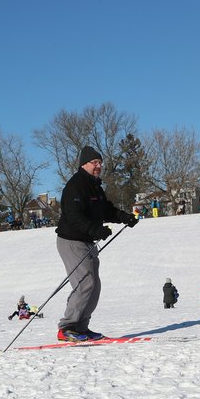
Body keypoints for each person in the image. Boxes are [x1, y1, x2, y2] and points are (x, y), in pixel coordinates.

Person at [55, 146, 139, 341]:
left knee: (95, 286)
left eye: (100, 163)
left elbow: (106, 210)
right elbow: (74, 216)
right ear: (84, 164)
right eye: (95, 163)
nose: (99, 166)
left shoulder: (95, 187)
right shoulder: (76, 186)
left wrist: (126, 217)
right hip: (71, 241)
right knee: (86, 283)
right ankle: (66, 327)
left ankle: (81, 327)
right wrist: (96, 230)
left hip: (87, 241)